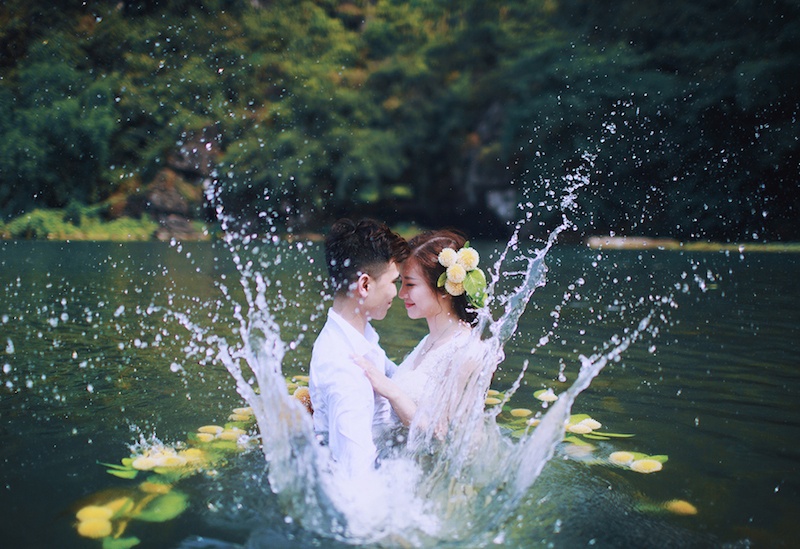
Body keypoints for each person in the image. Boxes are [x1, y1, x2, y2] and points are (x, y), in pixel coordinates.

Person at [355, 230, 492, 443]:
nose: (401, 294)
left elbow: (441, 436)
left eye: (410, 284)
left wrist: (391, 391)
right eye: (400, 283)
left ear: (445, 289)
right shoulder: (430, 340)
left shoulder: (468, 350)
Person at [308, 218, 410, 477]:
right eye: (394, 282)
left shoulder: (358, 333)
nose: (397, 294)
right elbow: (357, 479)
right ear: (365, 285)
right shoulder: (344, 370)